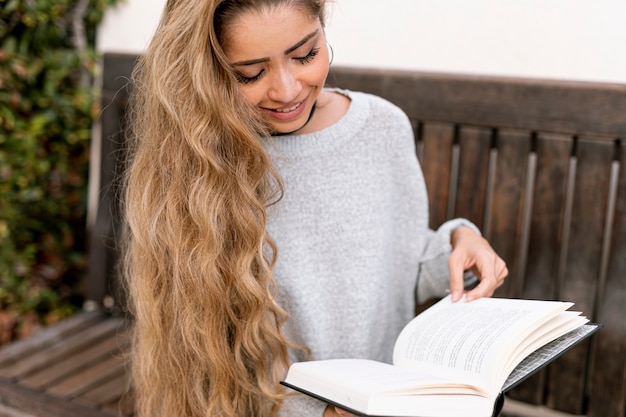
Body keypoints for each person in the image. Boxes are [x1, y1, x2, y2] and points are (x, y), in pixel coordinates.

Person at [122, 0, 508, 416]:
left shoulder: (382, 127)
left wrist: (461, 242)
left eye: (305, 54)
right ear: (206, 73)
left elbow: (399, 270)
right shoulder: (202, 169)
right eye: (249, 74)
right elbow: (204, 363)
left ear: (322, 28)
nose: (287, 91)